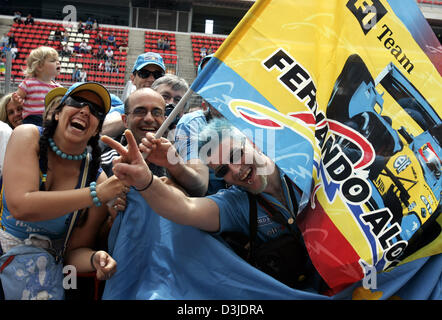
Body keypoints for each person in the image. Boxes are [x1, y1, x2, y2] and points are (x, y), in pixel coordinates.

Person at [102, 118, 325, 292]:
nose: (236, 170)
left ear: (253, 143)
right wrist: (145, 181)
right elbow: (184, 208)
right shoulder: (235, 203)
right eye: (222, 171)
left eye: (236, 154)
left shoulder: (303, 162)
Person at [1, 82, 128, 299]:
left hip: (42, 277)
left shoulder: (96, 178)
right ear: (58, 114)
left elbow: (72, 254)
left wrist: (94, 258)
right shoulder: (27, 135)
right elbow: (20, 206)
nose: (85, 110)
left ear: (97, 128)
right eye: (77, 102)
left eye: (95, 111)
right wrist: (95, 195)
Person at [101, 52, 165, 138]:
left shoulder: (170, 109)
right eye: (144, 73)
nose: (151, 79)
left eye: (158, 75)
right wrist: (134, 117)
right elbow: (104, 128)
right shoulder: (122, 109)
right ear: (133, 78)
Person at [10, 46, 62, 127]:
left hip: (49, 119)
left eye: (58, 60)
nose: (58, 62)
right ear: (39, 67)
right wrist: (16, 99)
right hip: (32, 119)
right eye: (53, 60)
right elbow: (16, 97)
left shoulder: (58, 88)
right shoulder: (28, 83)